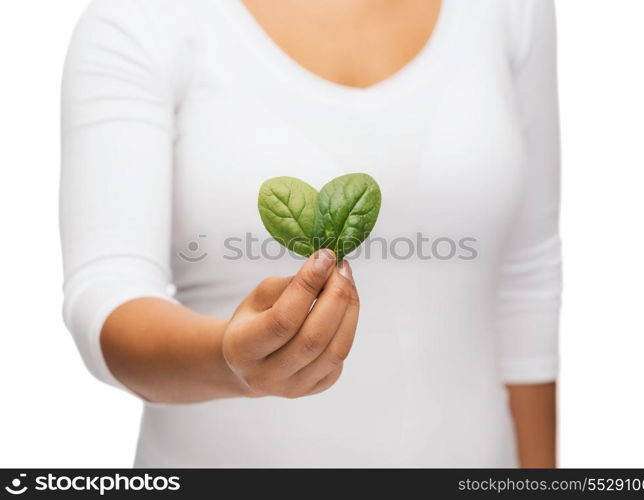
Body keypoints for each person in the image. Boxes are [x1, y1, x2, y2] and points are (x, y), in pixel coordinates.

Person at [60, 0, 561, 467]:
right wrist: (230, 358)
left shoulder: (510, 9)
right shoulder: (141, 17)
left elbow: (527, 280)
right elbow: (107, 291)